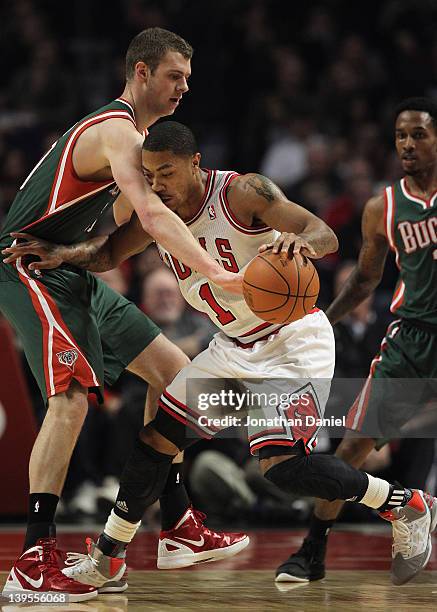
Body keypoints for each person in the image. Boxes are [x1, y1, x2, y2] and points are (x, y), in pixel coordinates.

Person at [5, 121, 436, 592]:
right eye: (148, 175)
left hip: (293, 343)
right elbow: (108, 252)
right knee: (156, 439)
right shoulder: (157, 217)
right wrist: (63, 254)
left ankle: (406, 503)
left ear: (195, 164)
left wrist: (301, 242)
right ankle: (108, 557)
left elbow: (324, 234)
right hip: (232, 348)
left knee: (284, 467)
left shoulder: (243, 192)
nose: (157, 185)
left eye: (166, 172)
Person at [0, 28, 243, 603]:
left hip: (66, 269)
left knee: (177, 376)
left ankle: (179, 523)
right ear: (140, 72)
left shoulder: (133, 142)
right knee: (71, 400)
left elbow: (120, 234)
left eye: (187, 77)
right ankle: (33, 560)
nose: (185, 86)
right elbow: (154, 217)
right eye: (174, 75)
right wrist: (219, 272)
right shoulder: (116, 130)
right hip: (26, 268)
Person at [273, 97, 437, 585]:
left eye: (420, 134)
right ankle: (312, 551)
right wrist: (320, 319)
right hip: (411, 340)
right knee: (351, 449)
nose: (408, 144)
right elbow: (365, 281)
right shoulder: (382, 207)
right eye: (401, 136)